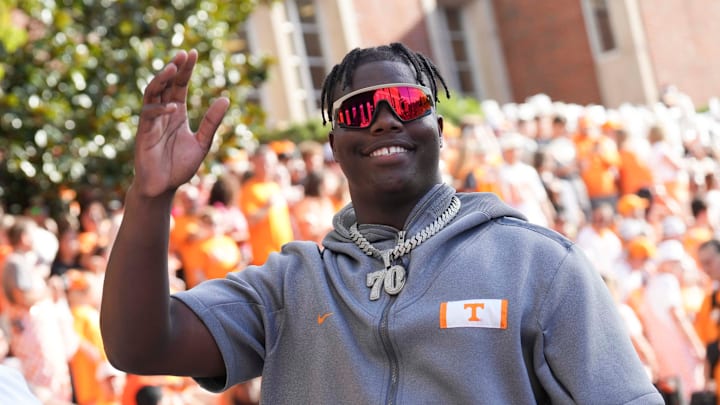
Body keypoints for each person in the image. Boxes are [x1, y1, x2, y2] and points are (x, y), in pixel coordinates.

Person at [100, 43, 663, 403]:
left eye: (406, 102)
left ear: (438, 127)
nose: (385, 120)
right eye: (358, 110)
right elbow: (141, 346)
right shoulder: (289, 287)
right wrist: (151, 196)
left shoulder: (535, 264)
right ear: (335, 144)